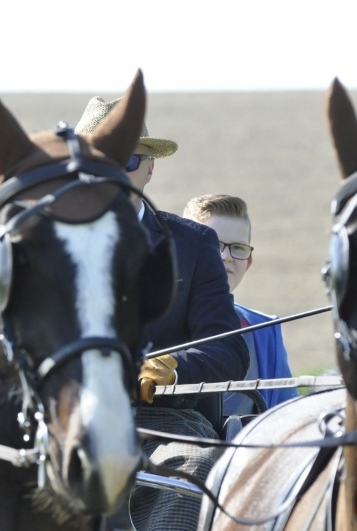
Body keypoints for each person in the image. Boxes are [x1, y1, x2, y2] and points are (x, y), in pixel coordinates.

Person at [75, 97, 248, 531]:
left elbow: (228, 350)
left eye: (128, 158)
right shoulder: (39, 239)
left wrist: (171, 369)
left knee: (193, 469)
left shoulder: (193, 245)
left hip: (164, 425)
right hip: (59, 420)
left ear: (149, 168)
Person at [183, 194, 298, 413]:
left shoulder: (264, 329)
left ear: (249, 261)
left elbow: (285, 411)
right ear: (184, 252)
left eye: (238, 248)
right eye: (212, 244)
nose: (226, 257)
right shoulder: (159, 318)